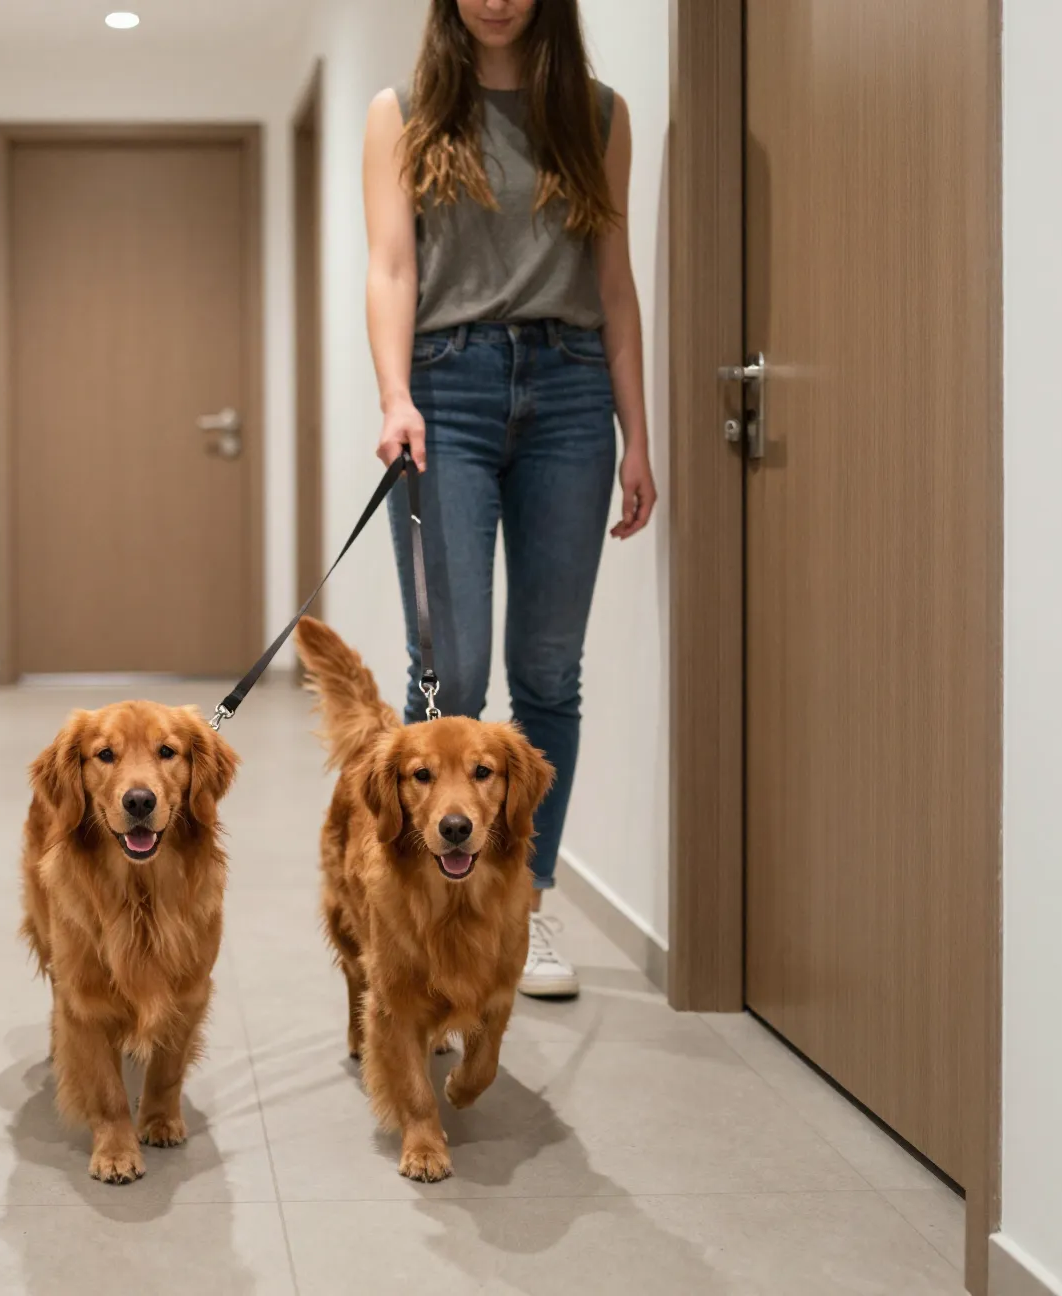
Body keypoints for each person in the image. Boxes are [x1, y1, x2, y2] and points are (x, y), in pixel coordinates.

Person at [363, 0, 657, 997]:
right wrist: (396, 396)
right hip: (449, 385)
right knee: (451, 673)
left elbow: (615, 283)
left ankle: (523, 907)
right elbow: (391, 267)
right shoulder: (401, 112)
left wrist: (637, 435)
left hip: (573, 390)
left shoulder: (600, 115)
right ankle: (413, 905)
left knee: (548, 674)